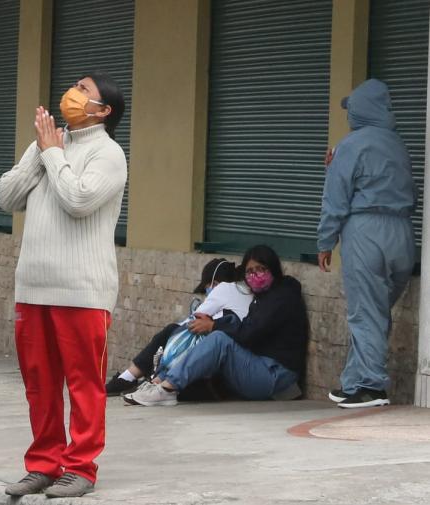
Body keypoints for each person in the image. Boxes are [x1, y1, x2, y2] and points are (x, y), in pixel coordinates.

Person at [0, 71, 126, 498]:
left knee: (83, 383)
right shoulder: (48, 145)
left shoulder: (109, 154)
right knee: (40, 384)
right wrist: (43, 151)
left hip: (82, 292)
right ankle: (44, 465)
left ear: (102, 110)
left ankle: (81, 468)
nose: (72, 93)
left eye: (83, 90)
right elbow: (7, 196)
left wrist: (53, 154)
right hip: (32, 288)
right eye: (75, 86)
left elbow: (78, 201)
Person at [317, 79, 416, 409]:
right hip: (402, 233)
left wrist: (325, 241)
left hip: (366, 232)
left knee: (365, 313)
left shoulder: (350, 145)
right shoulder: (398, 144)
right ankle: (354, 381)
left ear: (359, 110)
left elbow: (336, 197)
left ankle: (371, 388)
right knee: (375, 312)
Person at [123, 245, 308, 407]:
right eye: (250, 271)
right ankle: (160, 381)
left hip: (276, 375)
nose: (255, 276)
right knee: (213, 330)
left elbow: (251, 333)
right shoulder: (262, 298)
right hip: (260, 367)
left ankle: (167, 389)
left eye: (261, 269)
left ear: (273, 270)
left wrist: (213, 326)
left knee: (219, 339)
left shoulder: (281, 297)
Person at [106, 258, 253, 397]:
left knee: (173, 331)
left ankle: (134, 378)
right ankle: (144, 380)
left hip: (222, 363)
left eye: (207, 288)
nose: (207, 294)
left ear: (214, 283)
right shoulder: (247, 294)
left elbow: (191, 322)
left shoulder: (224, 289)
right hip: (240, 364)